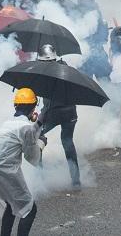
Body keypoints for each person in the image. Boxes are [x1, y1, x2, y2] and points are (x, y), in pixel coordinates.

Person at [0, 88, 46, 236]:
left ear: (16, 106)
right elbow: (31, 156)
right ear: (33, 108)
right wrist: (41, 143)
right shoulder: (26, 127)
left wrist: (36, 127)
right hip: (3, 169)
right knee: (29, 209)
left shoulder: (8, 123)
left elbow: (22, 137)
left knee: (11, 204)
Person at [36, 45, 81, 187]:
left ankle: (40, 179)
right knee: (68, 141)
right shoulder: (67, 68)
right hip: (70, 111)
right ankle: (76, 180)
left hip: (52, 113)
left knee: (36, 138)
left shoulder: (44, 73)